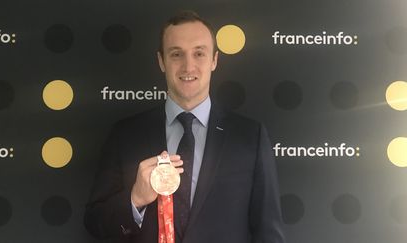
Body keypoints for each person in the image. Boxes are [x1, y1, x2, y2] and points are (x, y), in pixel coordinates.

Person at [84, 10, 285, 243]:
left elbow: (268, 232)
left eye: (199, 53)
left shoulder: (250, 136)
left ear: (214, 60)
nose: (188, 67)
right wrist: (135, 199)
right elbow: (95, 222)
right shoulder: (125, 134)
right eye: (176, 54)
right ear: (161, 61)